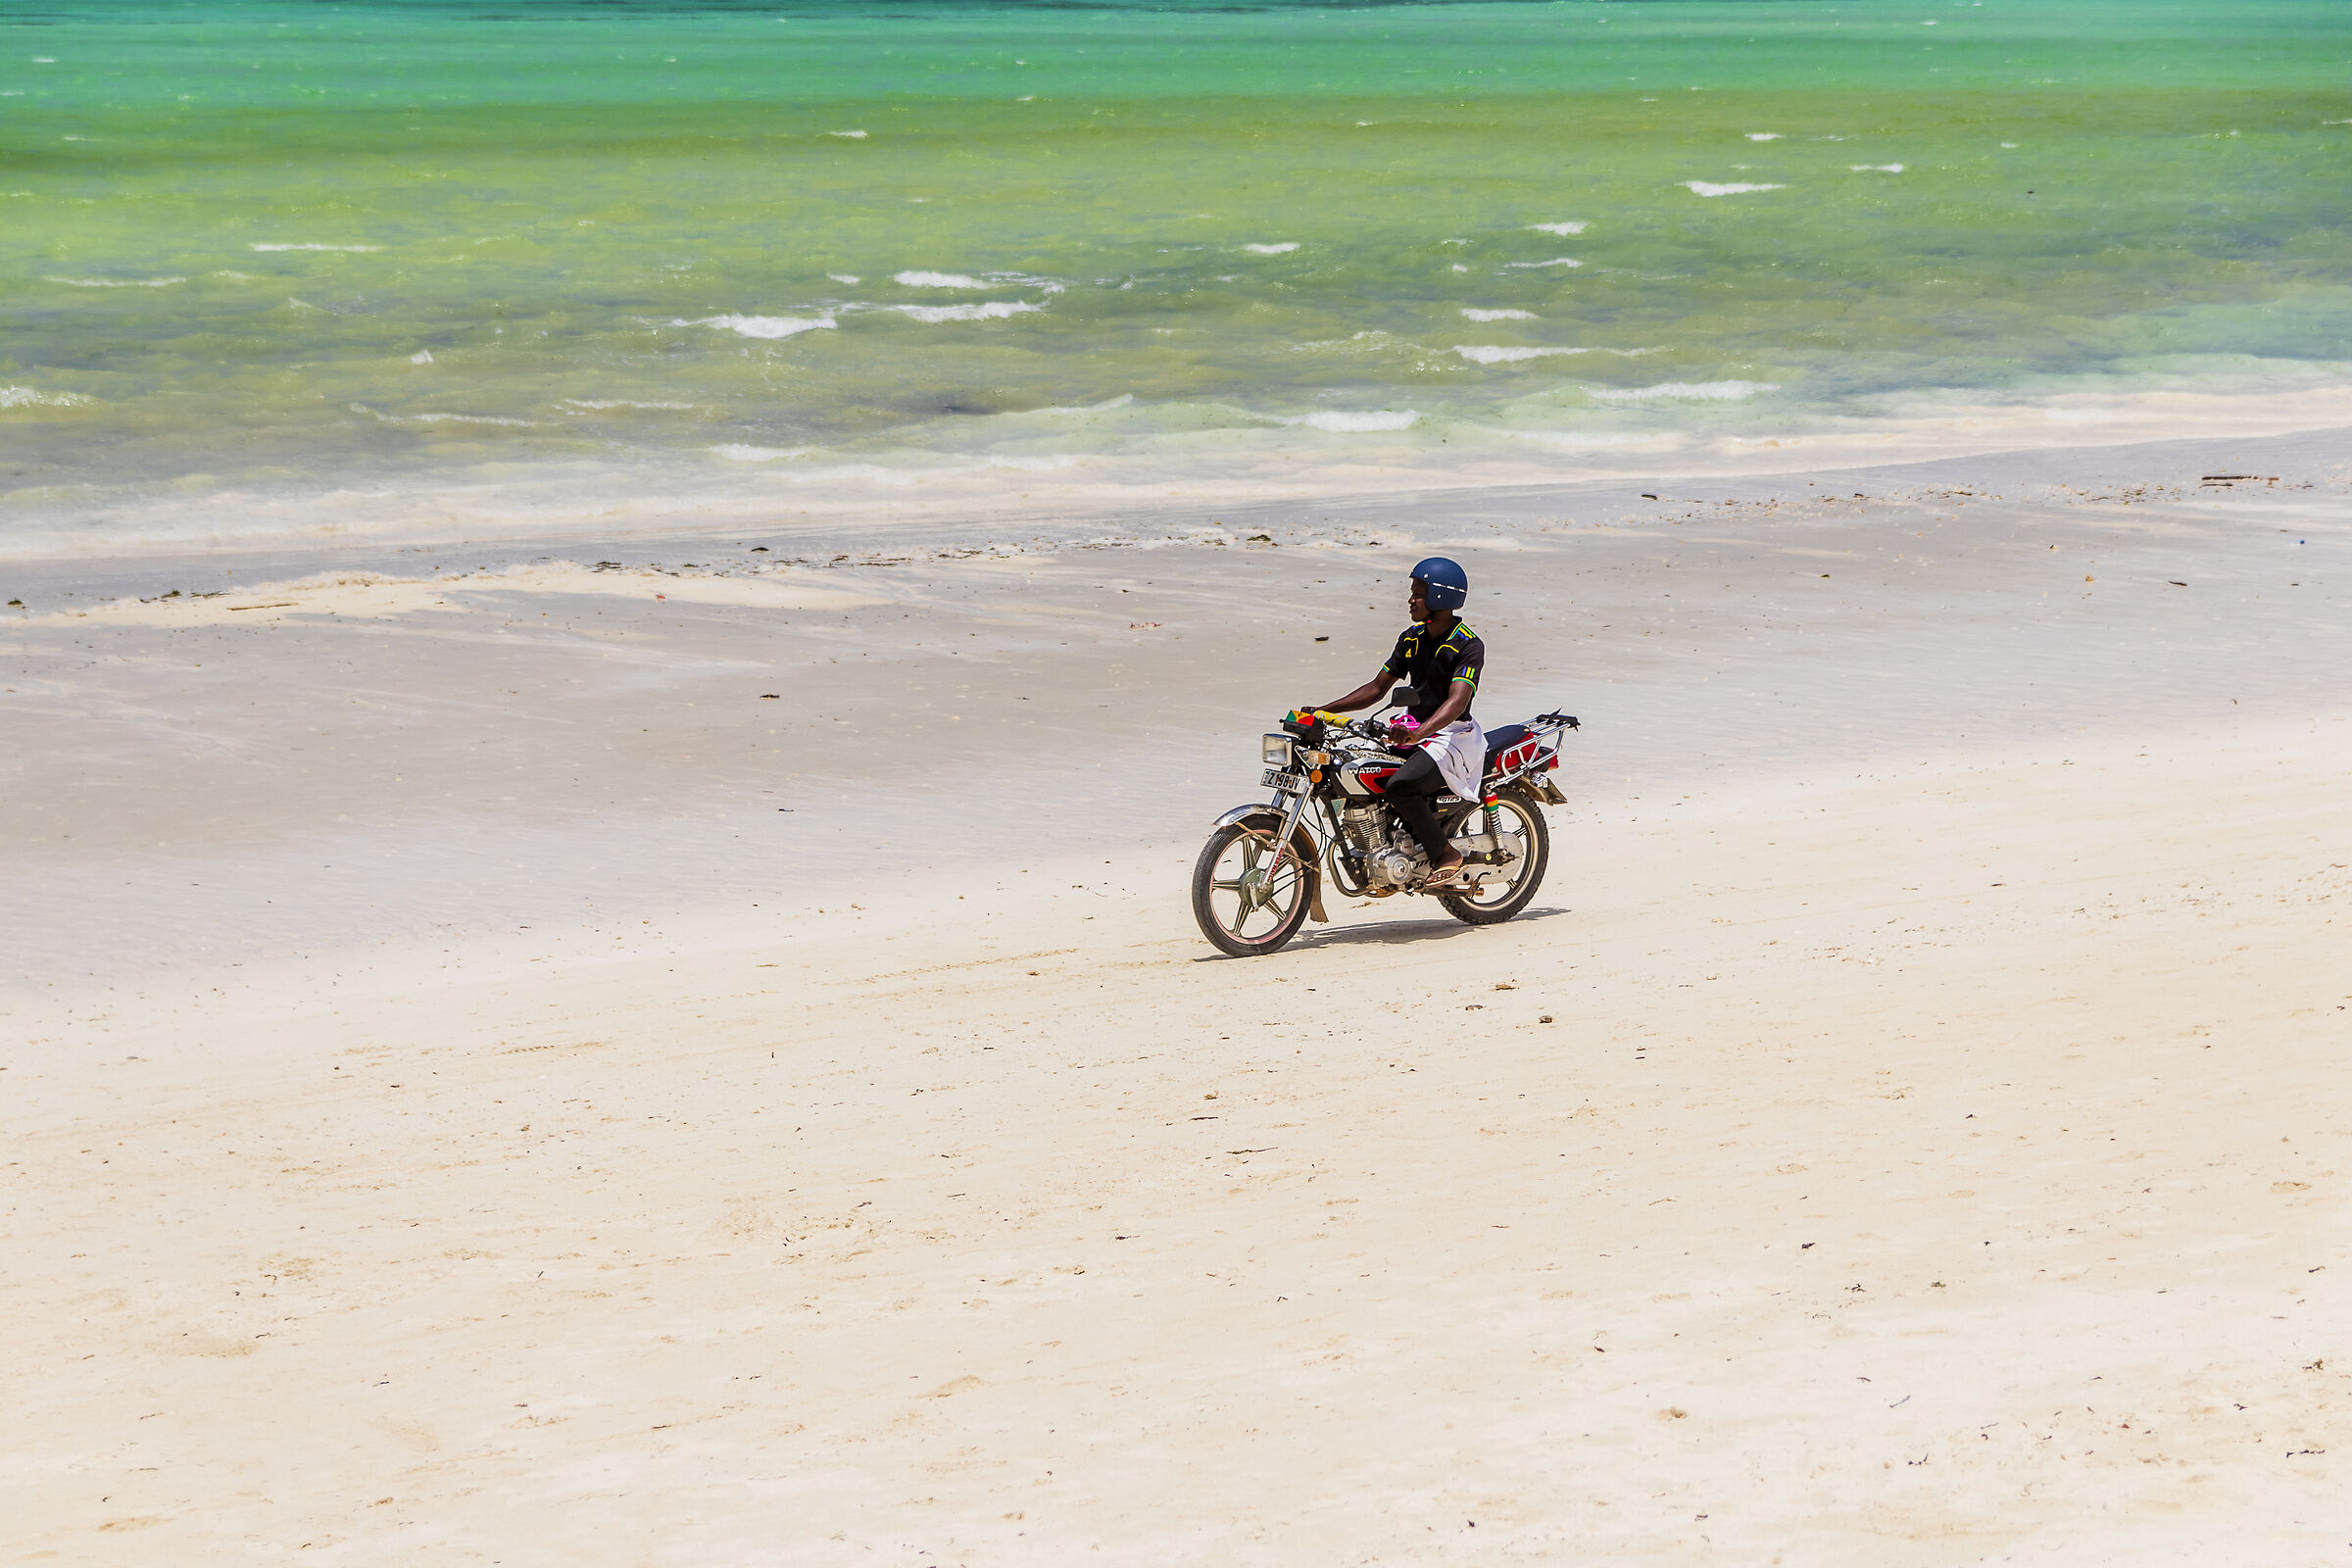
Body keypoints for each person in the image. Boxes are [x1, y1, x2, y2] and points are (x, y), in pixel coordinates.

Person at [1306, 557, 1487, 891]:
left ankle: (1445, 854)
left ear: (1440, 597)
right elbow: (1376, 689)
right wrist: (1322, 709)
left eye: (1418, 592)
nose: (1410, 600)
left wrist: (1420, 731)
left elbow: (1457, 701)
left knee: (1401, 786)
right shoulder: (1411, 638)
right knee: (1355, 772)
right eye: (1412, 592)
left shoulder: (1466, 645)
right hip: (1409, 733)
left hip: (1451, 737)